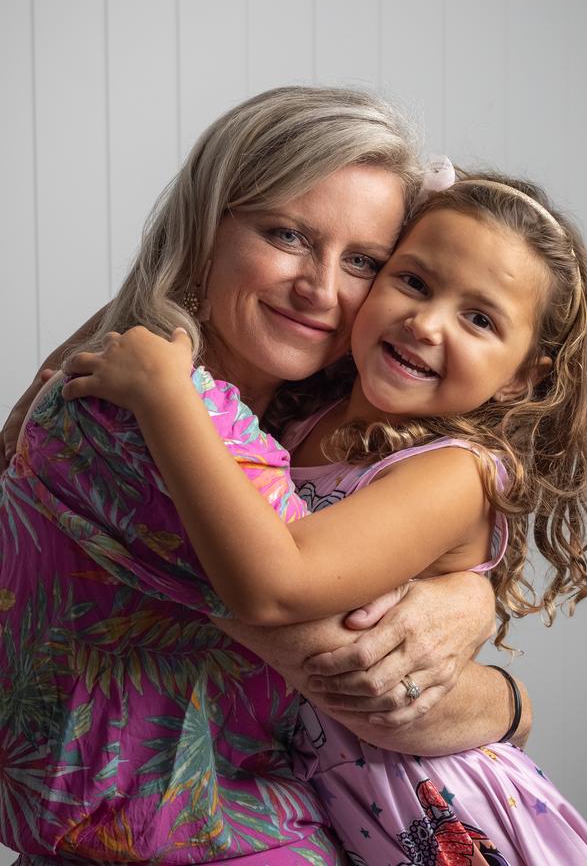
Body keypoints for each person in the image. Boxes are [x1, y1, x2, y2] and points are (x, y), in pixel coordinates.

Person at [0, 88, 522, 865]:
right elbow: (370, 684)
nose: (319, 288)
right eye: (287, 234)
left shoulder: (296, 407)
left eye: (365, 263)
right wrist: (511, 701)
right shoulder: (155, 413)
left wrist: (462, 590)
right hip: (200, 838)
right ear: (206, 225)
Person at [62, 167, 587, 865]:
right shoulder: (309, 408)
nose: (425, 321)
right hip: (311, 789)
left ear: (522, 376)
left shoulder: (458, 470)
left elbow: (278, 583)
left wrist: (165, 394)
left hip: (430, 804)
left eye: (479, 319)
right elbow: (147, 311)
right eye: (412, 280)